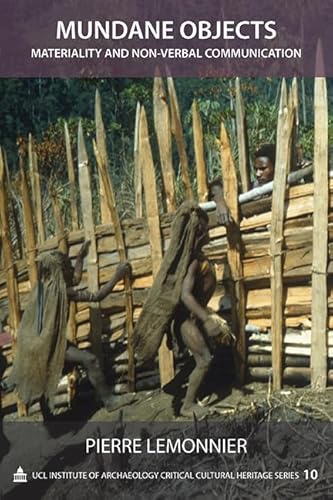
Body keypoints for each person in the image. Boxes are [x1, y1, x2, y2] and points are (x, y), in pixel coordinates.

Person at [5, 241, 134, 416]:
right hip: (48, 345)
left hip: (36, 344)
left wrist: (80, 257)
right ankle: (109, 401)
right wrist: (118, 275)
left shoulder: (42, 288)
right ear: (60, 272)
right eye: (68, 267)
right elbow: (97, 296)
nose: (71, 270)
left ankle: (49, 415)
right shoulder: (62, 292)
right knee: (91, 360)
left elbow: (75, 279)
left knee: (55, 372)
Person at [134, 202, 234, 419]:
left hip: (191, 319)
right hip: (185, 321)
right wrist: (206, 318)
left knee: (204, 351)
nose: (209, 231)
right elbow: (185, 295)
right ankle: (187, 406)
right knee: (204, 359)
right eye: (206, 228)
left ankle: (175, 384)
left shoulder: (198, 257)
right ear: (199, 232)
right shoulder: (192, 262)